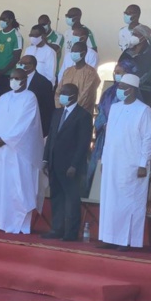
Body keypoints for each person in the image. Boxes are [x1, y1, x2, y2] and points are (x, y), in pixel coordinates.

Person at [0, 68, 43, 234]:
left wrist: (5, 139)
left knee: (16, 186)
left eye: (18, 78)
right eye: (12, 78)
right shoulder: (4, 97)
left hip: (16, 151)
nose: (14, 81)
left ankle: (15, 222)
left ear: (25, 80)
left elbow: (26, 123)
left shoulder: (30, 97)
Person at [98, 74, 151, 251]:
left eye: (123, 87)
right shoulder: (114, 108)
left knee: (128, 202)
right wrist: (104, 159)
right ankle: (110, 237)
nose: (119, 90)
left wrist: (142, 164)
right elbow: (110, 137)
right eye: (119, 86)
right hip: (113, 162)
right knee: (111, 201)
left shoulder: (144, 110)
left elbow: (148, 139)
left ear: (132, 89)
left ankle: (126, 240)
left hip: (132, 165)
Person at [42, 84, 93, 241]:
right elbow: (51, 137)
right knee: (57, 197)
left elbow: (83, 143)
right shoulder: (57, 113)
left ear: (74, 95)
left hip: (71, 165)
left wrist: (74, 165)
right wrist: (45, 159)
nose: (62, 95)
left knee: (71, 199)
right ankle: (57, 229)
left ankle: (70, 233)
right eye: (61, 92)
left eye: (66, 93)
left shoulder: (83, 115)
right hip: (54, 162)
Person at [87, 59, 139, 188]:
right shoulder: (108, 92)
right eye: (115, 72)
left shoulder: (135, 96)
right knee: (97, 165)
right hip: (104, 136)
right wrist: (104, 125)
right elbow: (100, 112)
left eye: (119, 72)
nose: (115, 74)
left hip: (122, 139)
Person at [118, 24, 151, 108]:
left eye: (136, 34)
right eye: (133, 34)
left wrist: (136, 83)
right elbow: (118, 68)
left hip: (144, 92)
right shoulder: (127, 52)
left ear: (144, 37)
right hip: (125, 90)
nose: (133, 36)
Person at [56, 42, 100, 115]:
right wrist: (61, 108)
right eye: (72, 51)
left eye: (76, 51)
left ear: (84, 53)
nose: (73, 53)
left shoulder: (91, 73)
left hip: (81, 114)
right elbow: (58, 92)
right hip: (64, 112)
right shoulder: (67, 71)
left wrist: (72, 110)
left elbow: (86, 96)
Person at [19, 55, 54, 138]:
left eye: (25, 63)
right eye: (20, 63)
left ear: (33, 66)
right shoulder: (15, 78)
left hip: (34, 127)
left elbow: (48, 109)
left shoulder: (44, 83)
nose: (21, 65)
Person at [0, 10, 23, 97]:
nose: (1, 21)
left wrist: (2, 72)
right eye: (0, 19)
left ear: (11, 20)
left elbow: (16, 57)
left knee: (4, 97)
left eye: (3, 19)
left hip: (8, 75)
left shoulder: (17, 36)